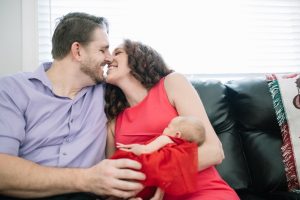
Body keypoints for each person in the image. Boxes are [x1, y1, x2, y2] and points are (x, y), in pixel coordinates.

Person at [0, 12, 146, 200]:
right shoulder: (13, 89)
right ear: (77, 51)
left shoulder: (109, 93)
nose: (109, 58)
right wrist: (87, 179)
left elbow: (155, 93)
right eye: (103, 50)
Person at [104, 39, 240, 200]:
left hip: (204, 191)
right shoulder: (113, 122)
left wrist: (151, 172)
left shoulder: (172, 83)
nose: (108, 59)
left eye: (117, 53)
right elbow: (114, 182)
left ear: (140, 59)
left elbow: (214, 151)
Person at [108, 116, 206, 200]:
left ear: (177, 135)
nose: (165, 128)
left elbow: (146, 150)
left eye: (168, 126)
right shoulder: (181, 153)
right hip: (155, 182)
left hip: (145, 166)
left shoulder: (166, 138)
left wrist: (131, 149)